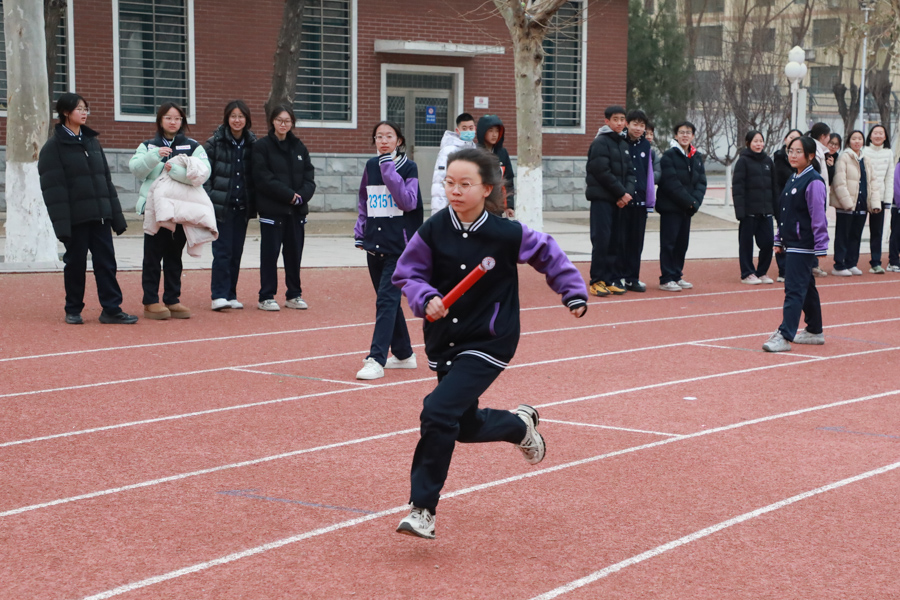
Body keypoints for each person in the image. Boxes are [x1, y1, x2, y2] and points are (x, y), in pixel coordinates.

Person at [390, 147, 587, 540]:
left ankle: (422, 509)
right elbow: (407, 274)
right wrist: (424, 296)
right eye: (449, 183)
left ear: (486, 189)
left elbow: (547, 252)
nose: (455, 191)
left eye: (465, 184)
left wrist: (571, 291)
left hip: (491, 339)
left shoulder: (506, 233)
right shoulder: (432, 230)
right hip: (445, 339)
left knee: (436, 411)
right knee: (461, 424)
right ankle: (519, 426)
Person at [38, 93, 138, 325]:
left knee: (106, 262)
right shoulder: (53, 147)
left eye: (86, 109)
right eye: (79, 109)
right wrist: (62, 226)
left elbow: (106, 181)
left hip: (100, 216)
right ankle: (73, 308)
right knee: (75, 264)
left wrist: (116, 216)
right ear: (65, 112)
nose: (84, 113)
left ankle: (111, 309)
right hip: (76, 219)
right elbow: (54, 191)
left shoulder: (92, 142)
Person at [353, 121, 423, 380]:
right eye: (379, 136)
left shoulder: (409, 167)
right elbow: (364, 200)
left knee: (385, 300)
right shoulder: (370, 166)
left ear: (399, 141)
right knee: (389, 302)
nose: (383, 140)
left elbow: (407, 202)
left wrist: (388, 168)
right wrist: (361, 231)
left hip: (400, 248)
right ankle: (404, 355)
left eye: (389, 136)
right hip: (374, 246)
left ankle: (376, 358)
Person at [130, 102, 210, 320]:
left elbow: (204, 173)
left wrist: (174, 170)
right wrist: (155, 156)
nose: (173, 122)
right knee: (152, 256)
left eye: (177, 118)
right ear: (160, 120)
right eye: (168, 117)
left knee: (174, 256)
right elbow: (136, 170)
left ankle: (172, 299)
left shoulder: (193, 146)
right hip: (154, 210)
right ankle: (151, 302)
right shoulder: (148, 146)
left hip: (181, 210)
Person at [763, 136, 829, 352]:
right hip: (792, 243)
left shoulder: (814, 182)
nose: (792, 155)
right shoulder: (794, 178)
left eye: (798, 152)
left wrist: (821, 246)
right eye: (790, 151)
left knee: (793, 289)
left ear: (810, 156)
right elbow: (786, 213)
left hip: (804, 245)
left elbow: (818, 216)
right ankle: (814, 330)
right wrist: (780, 238)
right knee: (806, 287)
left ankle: (785, 335)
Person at [252, 104, 316, 311]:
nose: (283, 124)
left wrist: (301, 197)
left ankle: (294, 295)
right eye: (280, 120)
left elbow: (309, 177)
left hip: (296, 212)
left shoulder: (299, 147)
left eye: (287, 121)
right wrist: (289, 195)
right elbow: (263, 178)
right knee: (270, 255)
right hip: (273, 211)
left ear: (292, 123)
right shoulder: (262, 147)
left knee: (294, 254)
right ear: (272, 122)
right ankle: (266, 296)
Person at [205, 100, 257, 311]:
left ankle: (231, 294)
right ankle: (218, 294)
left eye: (241, 116)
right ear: (227, 118)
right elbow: (205, 174)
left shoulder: (253, 144)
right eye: (233, 116)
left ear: (247, 120)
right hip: (221, 207)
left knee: (236, 251)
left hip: (242, 206)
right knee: (222, 251)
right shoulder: (214, 142)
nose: (237, 120)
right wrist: (210, 197)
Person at [584, 105, 637, 297]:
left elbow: (631, 173)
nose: (620, 123)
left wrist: (627, 194)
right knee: (602, 240)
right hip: (603, 200)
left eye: (622, 119)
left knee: (616, 240)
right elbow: (601, 172)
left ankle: (611, 278)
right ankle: (596, 280)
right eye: (615, 119)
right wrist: (621, 193)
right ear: (607, 121)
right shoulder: (600, 142)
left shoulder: (623, 144)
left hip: (619, 201)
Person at [656, 121, 706, 292]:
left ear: (693, 136)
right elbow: (671, 183)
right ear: (676, 135)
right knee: (669, 243)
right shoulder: (669, 156)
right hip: (671, 208)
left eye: (688, 132)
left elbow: (701, 182)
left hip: (687, 209)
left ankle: (677, 275)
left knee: (682, 244)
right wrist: (689, 201)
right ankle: (666, 277)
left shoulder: (696, 156)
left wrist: (695, 202)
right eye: (681, 132)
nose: (685, 135)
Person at [831, 130, 881, 276]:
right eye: (854, 138)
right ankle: (839, 265)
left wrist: (874, 202)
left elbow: (872, 182)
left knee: (856, 234)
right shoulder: (844, 158)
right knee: (843, 235)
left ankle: (851, 262)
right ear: (849, 141)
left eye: (860, 139)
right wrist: (847, 203)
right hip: (846, 205)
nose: (857, 141)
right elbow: (839, 182)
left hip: (861, 204)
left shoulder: (866, 159)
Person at [731, 130, 777, 284]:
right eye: (755, 141)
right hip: (749, 212)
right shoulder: (743, 161)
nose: (759, 144)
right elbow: (738, 187)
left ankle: (762, 272)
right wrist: (740, 211)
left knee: (768, 242)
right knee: (746, 244)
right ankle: (747, 273)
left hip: (766, 212)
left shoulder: (768, 161)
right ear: (748, 143)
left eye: (761, 141)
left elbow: (774, 187)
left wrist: (775, 209)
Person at [617, 109, 655, 292]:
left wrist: (648, 200)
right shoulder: (619, 142)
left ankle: (633, 277)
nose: (639, 128)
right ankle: (619, 277)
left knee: (636, 242)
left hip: (640, 202)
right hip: (622, 201)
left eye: (642, 125)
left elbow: (648, 174)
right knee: (620, 241)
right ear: (627, 124)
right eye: (635, 124)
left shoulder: (646, 146)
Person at [862, 124, 894, 274]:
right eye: (875, 133)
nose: (878, 136)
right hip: (862, 197)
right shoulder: (863, 151)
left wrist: (887, 200)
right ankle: (849, 262)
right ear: (870, 135)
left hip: (879, 198)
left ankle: (876, 262)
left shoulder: (888, 153)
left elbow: (890, 178)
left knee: (877, 231)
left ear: (885, 137)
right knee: (855, 230)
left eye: (881, 133)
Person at [430, 112, 476, 215]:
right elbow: (440, 182)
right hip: (452, 206)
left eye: (471, 128)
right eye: (464, 128)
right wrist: (438, 213)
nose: (468, 131)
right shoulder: (448, 151)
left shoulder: (476, 150)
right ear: (457, 131)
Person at [772, 129, 803, 282]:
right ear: (785, 139)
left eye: (797, 138)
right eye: (791, 138)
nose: (793, 140)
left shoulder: (807, 161)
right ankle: (783, 270)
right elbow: (781, 180)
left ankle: (795, 267)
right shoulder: (778, 158)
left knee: (797, 234)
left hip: (799, 203)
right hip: (782, 202)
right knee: (782, 235)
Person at [475, 114, 515, 216]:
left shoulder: (502, 153)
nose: (494, 134)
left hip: (497, 206)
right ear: (482, 132)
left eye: (497, 131)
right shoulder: (474, 152)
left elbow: (508, 180)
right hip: (478, 206)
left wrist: (509, 205)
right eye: (491, 130)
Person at [808, 122, 832, 278]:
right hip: (816, 197)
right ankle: (811, 264)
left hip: (819, 196)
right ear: (823, 136)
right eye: (828, 136)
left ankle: (813, 264)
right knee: (813, 230)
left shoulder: (822, 152)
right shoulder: (815, 151)